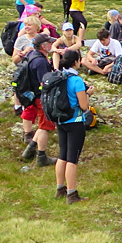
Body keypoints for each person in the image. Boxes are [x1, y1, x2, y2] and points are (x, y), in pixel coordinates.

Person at [53, 48, 90, 203]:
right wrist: (88, 94)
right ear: (76, 62)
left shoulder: (58, 77)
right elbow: (84, 106)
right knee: (72, 159)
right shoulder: (76, 80)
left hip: (60, 120)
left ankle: (60, 188)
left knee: (62, 155)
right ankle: (71, 193)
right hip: (75, 122)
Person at [18, 34, 57, 166]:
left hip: (33, 96)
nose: (51, 45)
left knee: (42, 125)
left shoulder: (31, 55)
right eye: (49, 43)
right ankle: (42, 157)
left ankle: (30, 150)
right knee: (44, 127)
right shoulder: (40, 62)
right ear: (43, 46)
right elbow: (45, 83)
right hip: (41, 98)